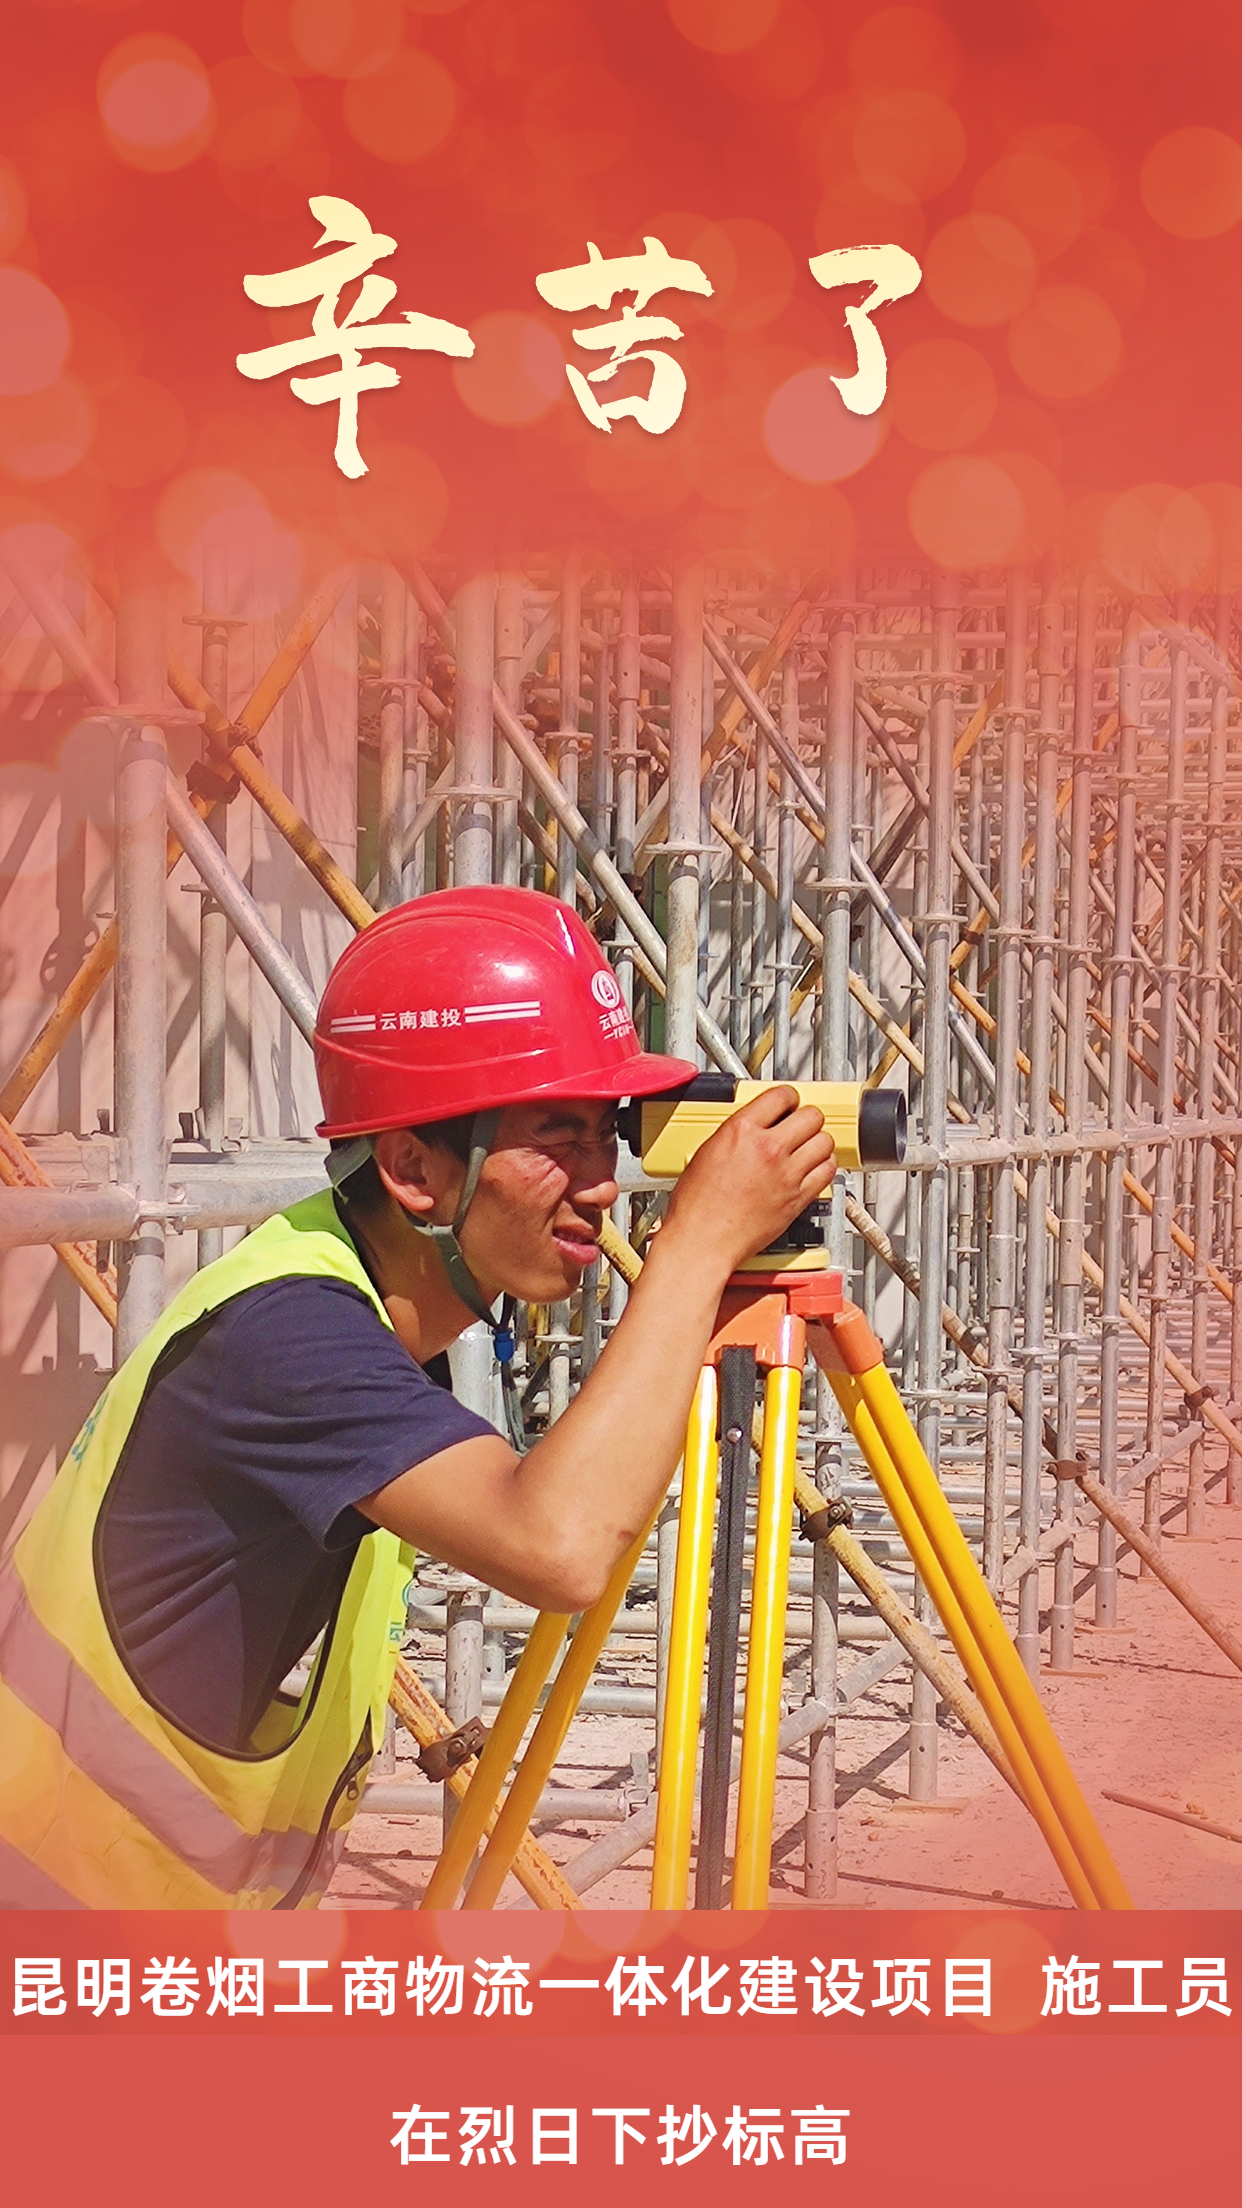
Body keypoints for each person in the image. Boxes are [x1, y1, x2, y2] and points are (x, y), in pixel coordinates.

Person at [0, 887, 835, 1909]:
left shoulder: (360, 1304)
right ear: (410, 1167)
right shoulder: (290, 1343)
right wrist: (698, 1246)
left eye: (605, 1134)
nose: (602, 1184)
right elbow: (559, 1547)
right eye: (557, 1138)